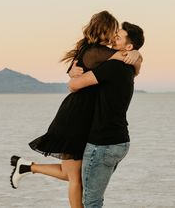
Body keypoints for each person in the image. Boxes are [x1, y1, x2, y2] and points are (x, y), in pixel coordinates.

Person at [10, 11, 141, 208]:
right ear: (104, 30)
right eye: (114, 31)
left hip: (84, 119)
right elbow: (126, 61)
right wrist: (136, 54)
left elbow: (127, 64)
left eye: (118, 34)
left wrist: (135, 54)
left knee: (74, 174)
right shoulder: (97, 52)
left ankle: (27, 167)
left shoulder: (93, 51)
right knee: (76, 179)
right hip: (75, 117)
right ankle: (27, 167)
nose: (114, 36)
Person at [68, 22, 145, 208]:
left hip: (102, 143)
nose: (112, 39)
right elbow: (136, 63)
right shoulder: (128, 69)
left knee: (92, 201)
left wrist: (73, 75)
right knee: (92, 194)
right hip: (120, 142)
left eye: (117, 38)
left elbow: (74, 86)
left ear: (128, 46)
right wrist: (137, 56)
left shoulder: (112, 67)